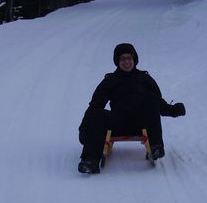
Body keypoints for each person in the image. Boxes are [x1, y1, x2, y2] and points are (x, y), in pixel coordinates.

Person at [78, 43, 186, 174]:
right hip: (118, 122)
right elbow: (95, 105)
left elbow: (158, 103)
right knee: (98, 114)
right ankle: (90, 161)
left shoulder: (144, 78)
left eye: (129, 58)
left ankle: (156, 147)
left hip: (141, 123)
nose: (126, 62)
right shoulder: (110, 80)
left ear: (134, 59)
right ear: (117, 62)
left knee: (151, 99)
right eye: (122, 59)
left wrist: (174, 110)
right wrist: (84, 128)